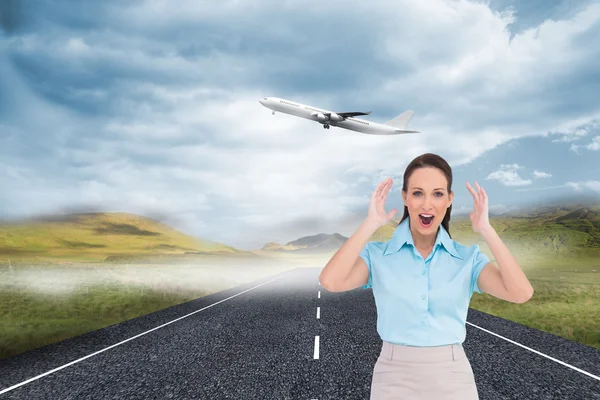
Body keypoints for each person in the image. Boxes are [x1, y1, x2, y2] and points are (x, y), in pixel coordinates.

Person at [318, 153, 534, 399]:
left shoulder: (467, 258)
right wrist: (371, 223)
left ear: (450, 199)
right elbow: (331, 281)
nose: (427, 204)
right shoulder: (378, 255)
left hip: (454, 378)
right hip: (393, 375)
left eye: (438, 194)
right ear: (405, 198)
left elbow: (521, 293)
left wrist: (486, 229)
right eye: (418, 193)